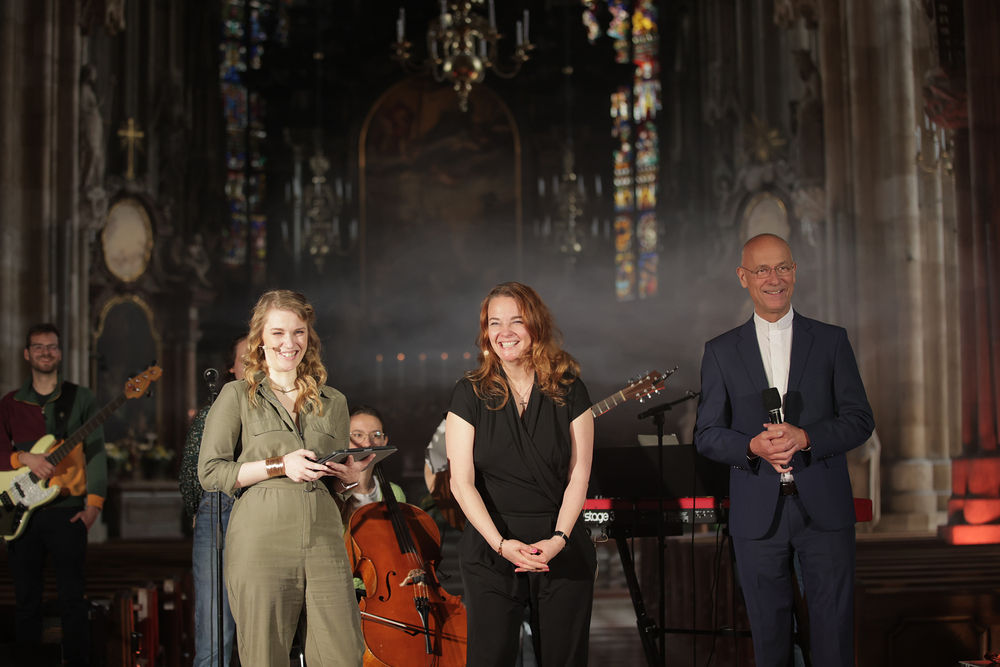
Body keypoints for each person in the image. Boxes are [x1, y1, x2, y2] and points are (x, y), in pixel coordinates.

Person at [694, 233, 875, 667]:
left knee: (834, 637)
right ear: (743, 277)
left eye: (782, 267)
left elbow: (859, 419)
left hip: (824, 510)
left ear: (794, 272)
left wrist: (806, 438)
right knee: (770, 641)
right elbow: (707, 433)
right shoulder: (720, 351)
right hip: (758, 514)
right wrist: (751, 446)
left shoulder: (831, 340)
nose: (774, 279)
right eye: (762, 270)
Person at [198, 290, 374, 667]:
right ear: (260, 338)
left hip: (324, 538)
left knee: (344, 655)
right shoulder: (236, 395)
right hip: (261, 540)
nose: (289, 342)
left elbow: (335, 484)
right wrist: (280, 465)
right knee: (265, 656)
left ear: (309, 336)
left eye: (298, 332)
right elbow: (210, 472)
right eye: (278, 333)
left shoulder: (333, 401)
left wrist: (348, 478)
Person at [446, 281, 596, 667]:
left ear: (536, 325)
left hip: (560, 542)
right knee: (490, 658)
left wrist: (559, 540)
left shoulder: (571, 389)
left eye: (516, 320)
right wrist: (500, 544)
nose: (505, 332)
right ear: (486, 332)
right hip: (491, 545)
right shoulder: (468, 393)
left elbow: (579, 474)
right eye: (495, 323)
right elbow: (460, 483)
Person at [0, 323, 108, 667]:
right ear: (26, 354)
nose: (45, 352)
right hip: (21, 515)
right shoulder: (10, 403)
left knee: (73, 601)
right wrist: (24, 458)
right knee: (26, 602)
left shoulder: (82, 398)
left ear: (60, 354)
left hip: (68, 510)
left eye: (51, 347)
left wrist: (93, 507)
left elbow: (96, 453)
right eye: (38, 347)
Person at [179, 334, 248, 667]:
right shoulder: (212, 412)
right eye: (245, 360)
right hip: (218, 509)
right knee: (214, 625)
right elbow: (191, 474)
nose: (254, 366)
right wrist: (202, 509)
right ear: (231, 368)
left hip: (263, 511)